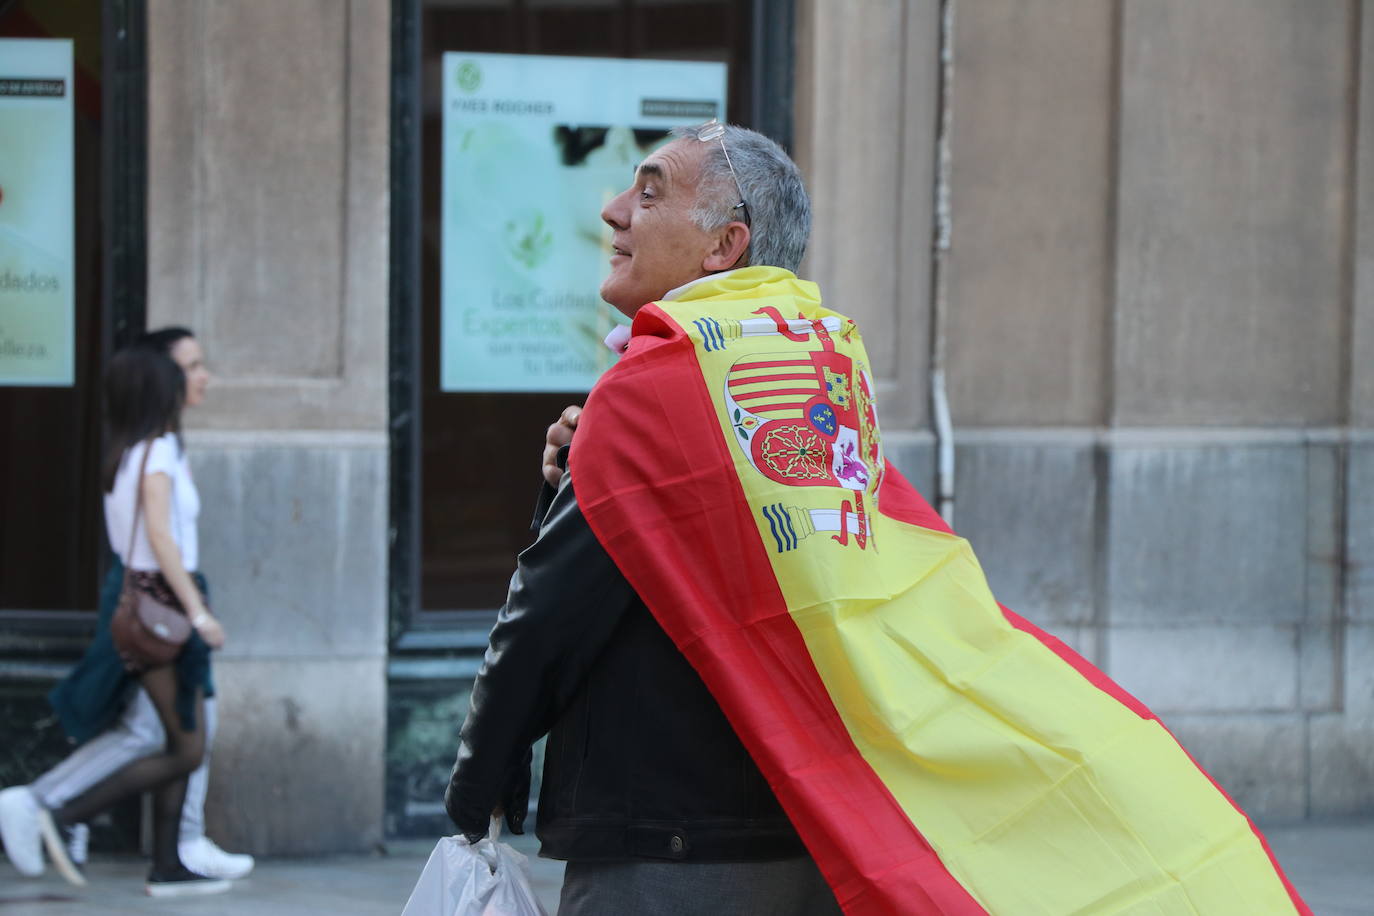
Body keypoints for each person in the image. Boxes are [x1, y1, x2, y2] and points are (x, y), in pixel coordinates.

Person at [444, 122, 842, 915]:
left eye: (650, 192)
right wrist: (574, 473)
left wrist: (479, 781)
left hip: (666, 844)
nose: (613, 211)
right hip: (811, 822)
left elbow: (548, 611)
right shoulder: (815, 379)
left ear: (723, 247)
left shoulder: (655, 386)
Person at [0, 328, 252, 884]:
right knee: (184, 743)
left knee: (177, 732)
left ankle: (167, 861)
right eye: (186, 367)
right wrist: (199, 613)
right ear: (157, 383)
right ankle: (59, 814)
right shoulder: (156, 451)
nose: (199, 376)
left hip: (149, 603)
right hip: (163, 604)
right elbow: (161, 540)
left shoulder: (132, 450)